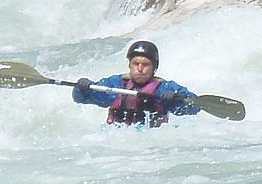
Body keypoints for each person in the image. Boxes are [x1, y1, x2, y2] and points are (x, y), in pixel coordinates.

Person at [72, 39, 200, 127]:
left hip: (151, 140)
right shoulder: (115, 84)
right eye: (135, 64)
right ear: (129, 64)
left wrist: (177, 99)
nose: (139, 69)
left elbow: (195, 106)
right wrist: (82, 88)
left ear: (154, 68)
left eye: (145, 65)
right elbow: (81, 98)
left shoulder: (164, 87)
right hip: (116, 137)